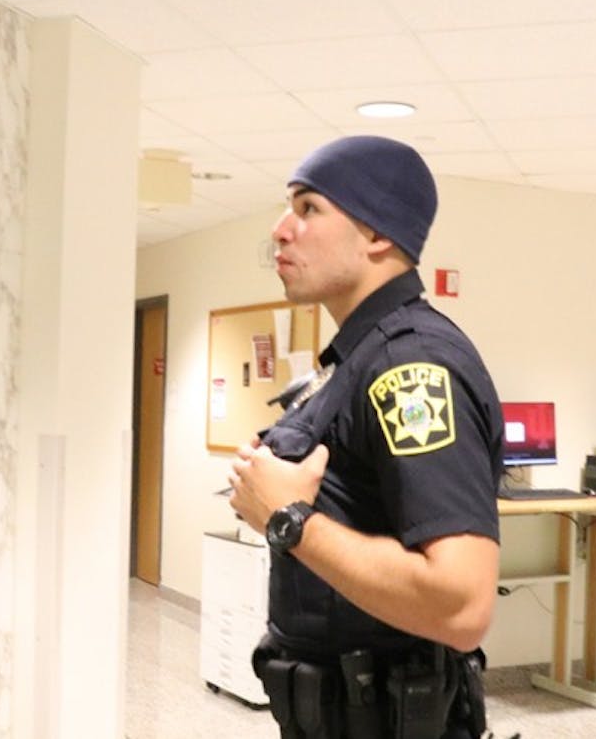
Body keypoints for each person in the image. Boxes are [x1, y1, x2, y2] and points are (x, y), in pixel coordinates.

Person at [227, 135, 504, 739]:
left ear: (377, 235)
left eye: (308, 209)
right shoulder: (355, 362)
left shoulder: (411, 371)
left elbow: (462, 605)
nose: (279, 230)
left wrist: (289, 518)